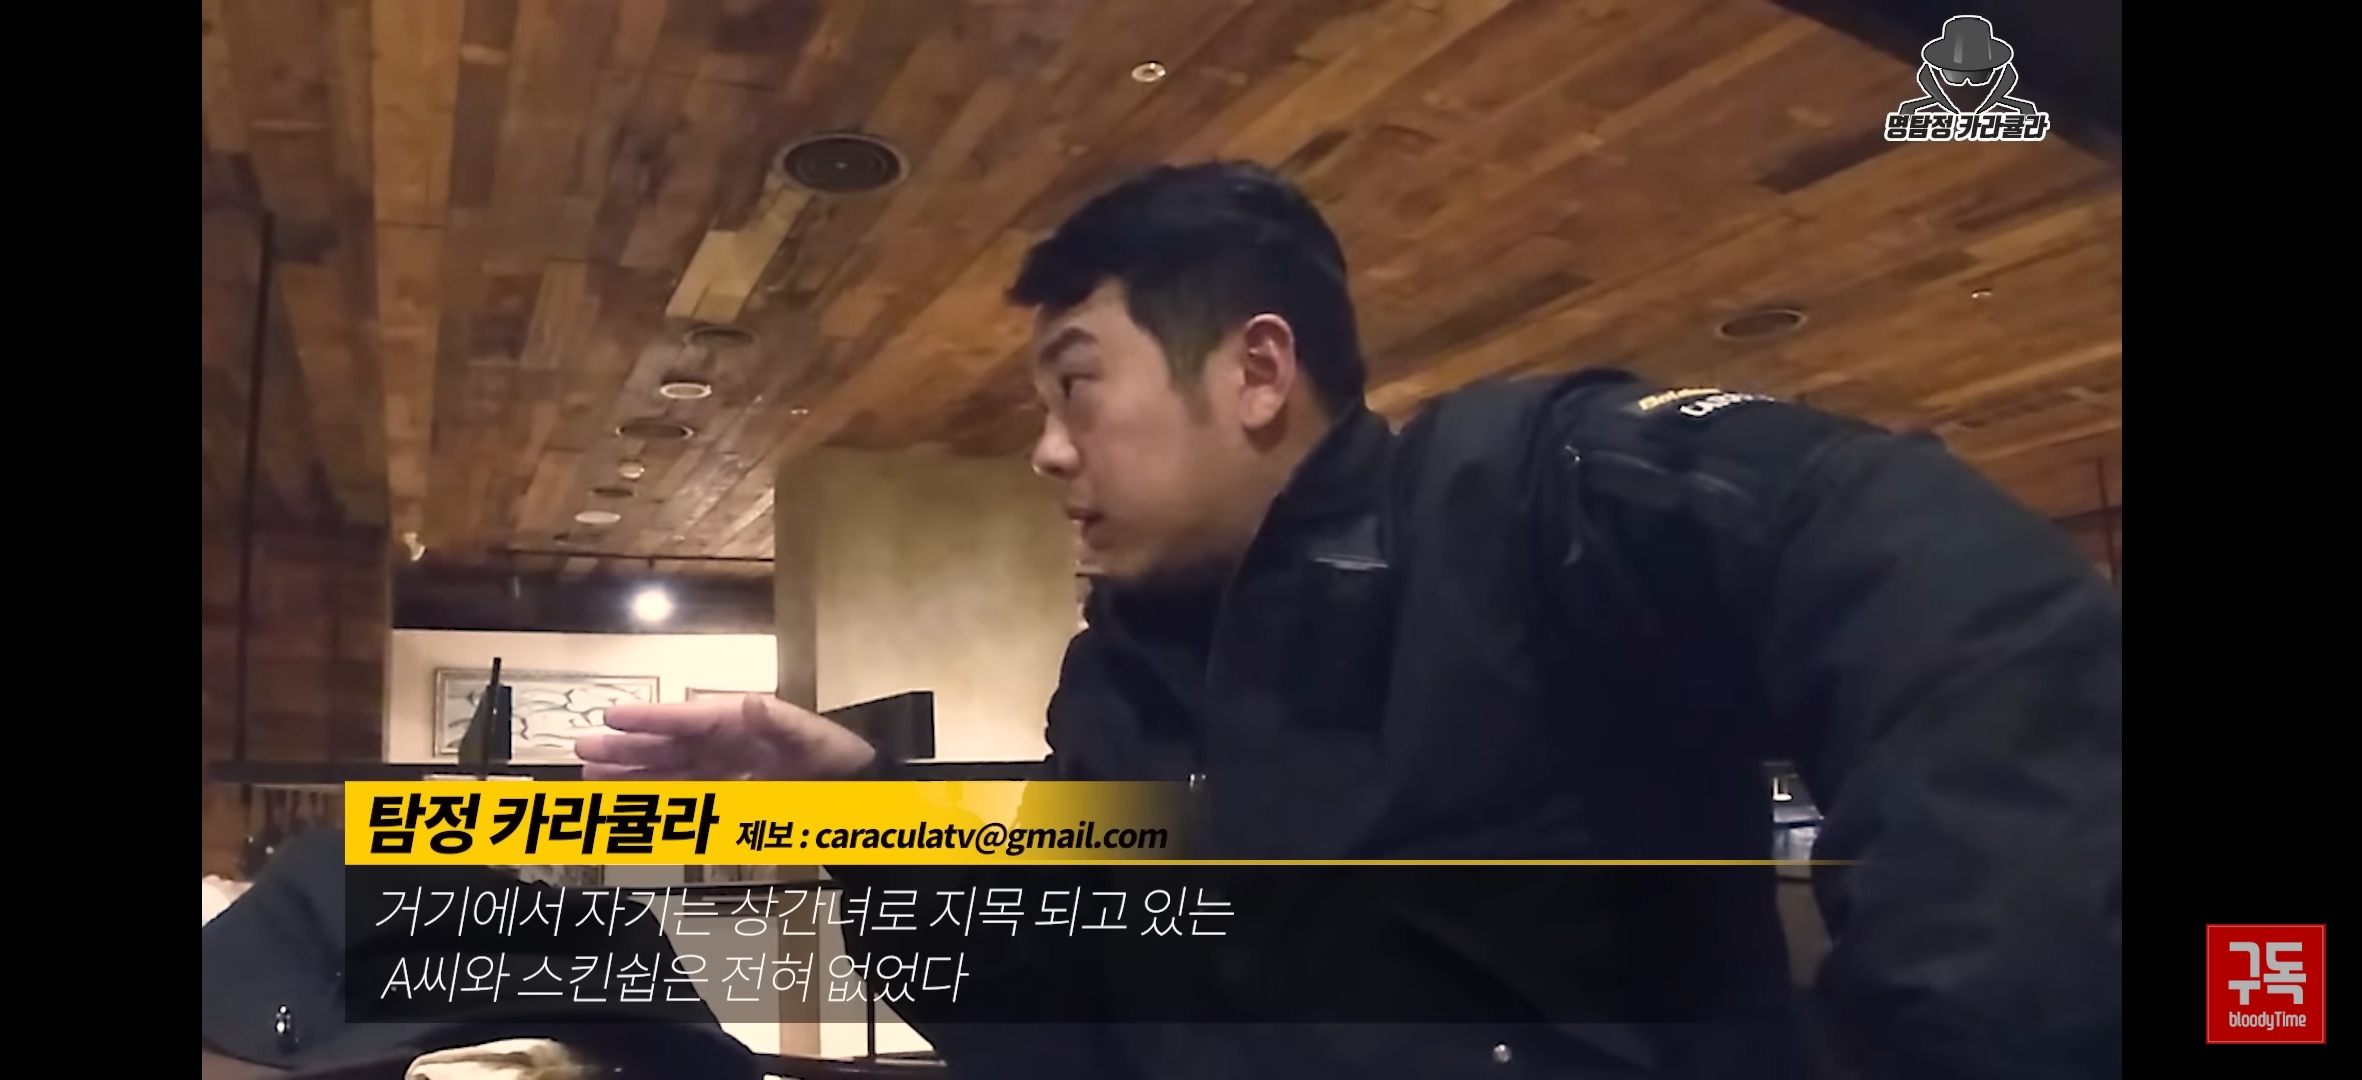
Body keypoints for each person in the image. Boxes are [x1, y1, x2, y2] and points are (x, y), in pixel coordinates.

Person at [577, 161, 2122, 1080]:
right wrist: (858, 818)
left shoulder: (1526, 492)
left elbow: (1959, 614)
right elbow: (1064, 1022)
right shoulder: (1119, 682)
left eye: (1076, 387)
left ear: (1257, 372)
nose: (1045, 452)